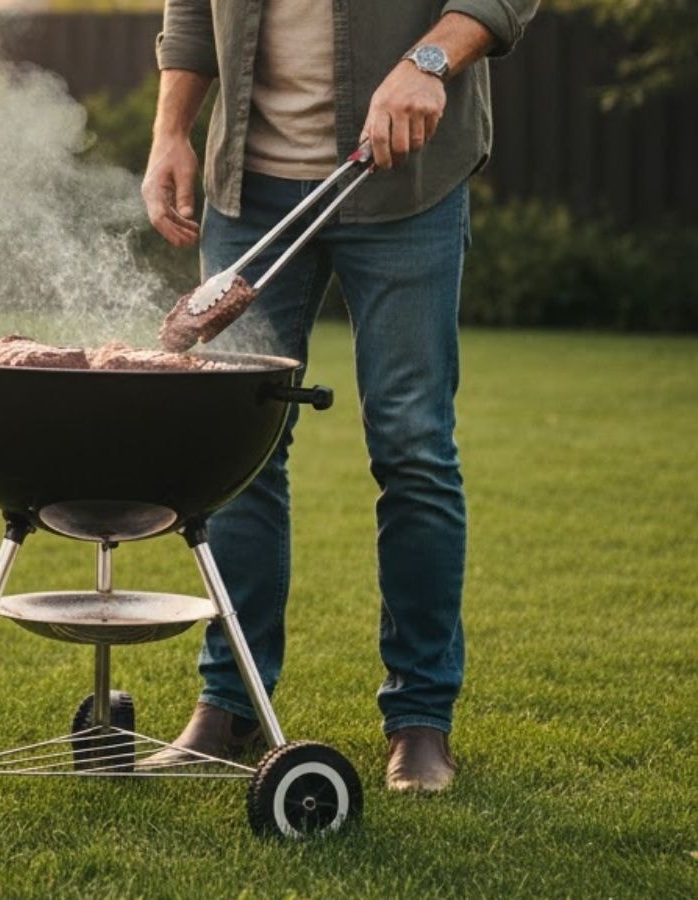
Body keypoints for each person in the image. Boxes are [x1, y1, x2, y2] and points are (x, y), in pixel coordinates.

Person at [138, 0, 537, 791]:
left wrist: (429, 62)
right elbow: (190, 12)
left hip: (405, 177)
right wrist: (170, 132)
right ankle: (232, 704)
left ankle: (420, 721)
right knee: (238, 453)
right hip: (247, 186)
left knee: (412, 445)